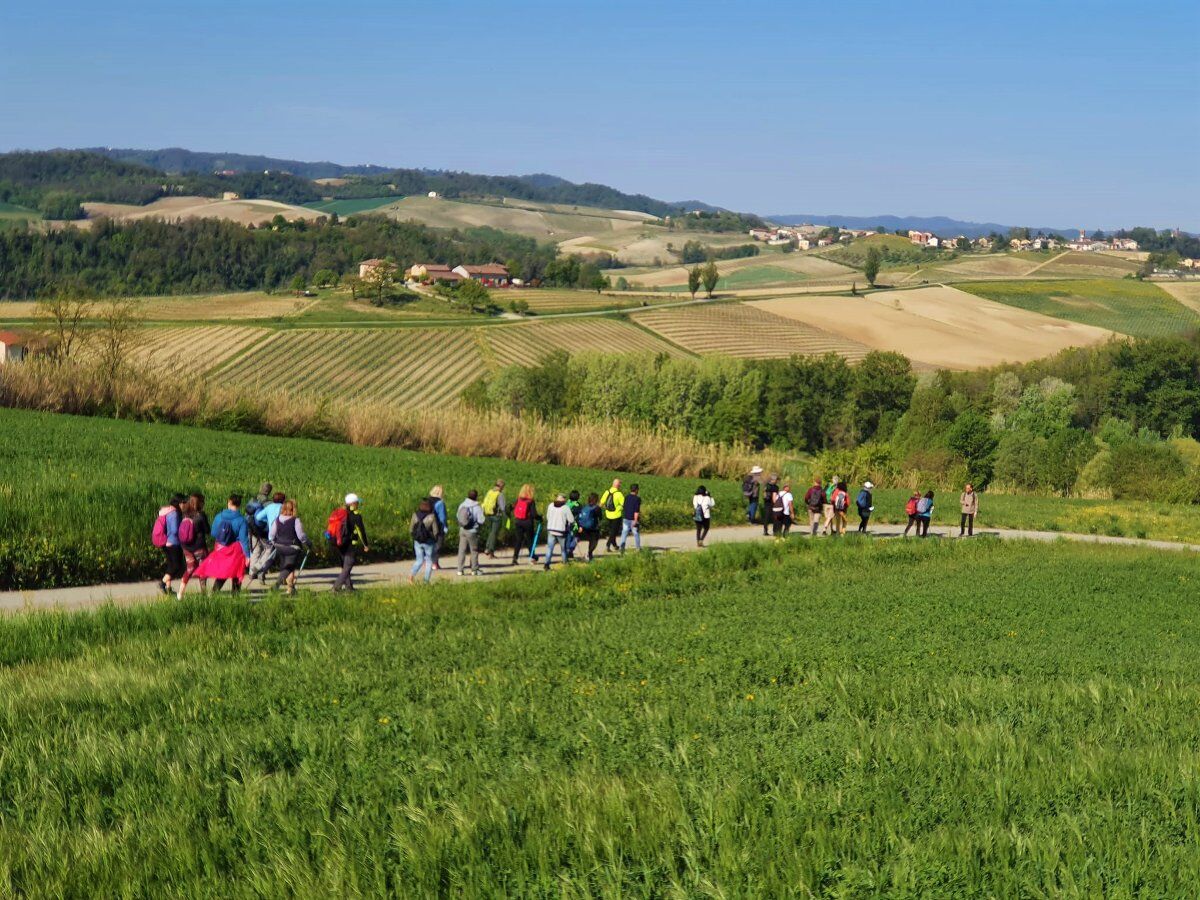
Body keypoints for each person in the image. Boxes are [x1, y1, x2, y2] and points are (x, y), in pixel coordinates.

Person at [195, 494, 251, 594]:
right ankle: (235, 596)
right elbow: (244, 539)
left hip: (221, 548)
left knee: (223, 571)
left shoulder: (219, 516)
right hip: (236, 549)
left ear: (229, 502)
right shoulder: (241, 520)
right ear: (239, 505)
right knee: (236, 572)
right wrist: (247, 555)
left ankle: (214, 592)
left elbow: (213, 533)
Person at [270, 499, 312, 595]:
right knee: (289, 568)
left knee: (287, 567)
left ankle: (291, 588)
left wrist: (274, 543)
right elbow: (301, 536)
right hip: (292, 548)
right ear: (293, 509)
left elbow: (271, 534)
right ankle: (277, 584)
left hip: (280, 547)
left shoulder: (277, 520)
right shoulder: (295, 520)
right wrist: (308, 543)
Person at [332, 493, 369, 591]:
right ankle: (335, 587)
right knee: (347, 567)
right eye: (357, 503)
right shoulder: (356, 516)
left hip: (339, 543)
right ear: (353, 503)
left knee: (344, 566)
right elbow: (361, 531)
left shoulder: (341, 514)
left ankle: (349, 588)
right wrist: (366, 545)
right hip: (350, 545)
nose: (358, 504)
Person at [176, 493, 210, 599]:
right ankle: (204, 593)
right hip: (199, 547)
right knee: (203, 569)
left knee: (190, 569)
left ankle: (180, 593)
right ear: (200, 503)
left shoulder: (184, 514)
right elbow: (207, 530)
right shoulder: (201, 515)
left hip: (186, 547)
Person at [248, 490, 286, 584]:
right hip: (281, 534)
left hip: (270, 533)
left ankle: (257, 571)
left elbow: (258, 517)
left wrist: (268, 521)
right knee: (273, 554)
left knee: (267, 551)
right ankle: (260, 569)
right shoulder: (283, 508)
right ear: (283, 500)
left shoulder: (269, 507)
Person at [153, 494, 186, 596]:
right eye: (183, 502)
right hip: (173, 542)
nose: (185, 505)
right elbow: (175, 530)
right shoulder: (174, 513)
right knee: (177, 566)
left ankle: (168, 588)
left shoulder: (167, 511)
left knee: (171, 565)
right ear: (178, 503)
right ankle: (163, 583)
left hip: (166, 542)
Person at [409, 498, 441, 584]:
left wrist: (416, 537)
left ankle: (411, 576)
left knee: (419, 560)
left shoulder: (415, 515)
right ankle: (426, 581)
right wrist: (435, 539)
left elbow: (411, 529)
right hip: (429, 542)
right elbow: (436, 531)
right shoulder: (432, 516)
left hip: (418, 541)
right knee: (429, 560)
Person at [456, 489, 485, 576]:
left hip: (462, 529)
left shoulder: (462, 505)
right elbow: (481, 520)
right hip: (472, 531)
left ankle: (460, 570)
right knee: (474, 550)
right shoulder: (477, 507)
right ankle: (474, 570)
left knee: (462, 550)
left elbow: (458, 516)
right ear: (476, 496)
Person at [543, 493, 575, 571]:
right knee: (563, 549)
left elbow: (548, 517)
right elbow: (571, 520)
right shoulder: (565, 507)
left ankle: (546, 564)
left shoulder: (551, 505)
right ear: (563, 499)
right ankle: (565, 563)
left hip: (551, 529)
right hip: (561, 531)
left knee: (550, 548)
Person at [510, 484, 539, 564]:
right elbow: (534, 514)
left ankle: (515, 558)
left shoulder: (519, 499)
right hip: (528, 522)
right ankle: (532, 557)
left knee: (518, 540)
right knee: (530, 540)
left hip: (518, 522)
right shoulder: (530, 501)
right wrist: (540, 518)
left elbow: (511, 507)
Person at [481, 479, 507, 558]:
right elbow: (503, 507)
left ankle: (487, 549)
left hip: (488, 514)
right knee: (494, 533)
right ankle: (490, 550)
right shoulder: (499, 494)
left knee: (490, 532)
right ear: (502, 486)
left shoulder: (489, 492)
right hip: (496, 516)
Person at [599, 479, 625, 552]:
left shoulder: (607, 492)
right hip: (616, 515)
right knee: (614, 532)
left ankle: (615, 545)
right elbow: (624, 504)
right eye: (620, 484)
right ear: (618, 485)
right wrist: (621, 508)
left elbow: (601, 503)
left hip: (608, 515)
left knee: (612, 531)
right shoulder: (619, 494)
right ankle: (608, 545)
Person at [577, 492, 603, 560]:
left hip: (585, 527)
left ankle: (589, 555)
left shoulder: (585, 507)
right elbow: (600, 517)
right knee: (594, 541)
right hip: (594, 527)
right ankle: (589, 554)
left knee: (591, 540)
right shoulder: (597, 508)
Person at [428, 485, 448, 569]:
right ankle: (434, 563)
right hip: (437, 527)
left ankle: (429, 561)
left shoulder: (427, 501)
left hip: (427, 526)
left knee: (430, 544)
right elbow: (442, 518)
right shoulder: (440, 503)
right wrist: (445, 527)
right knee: (437, 545)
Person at [619, 484, 642, 553]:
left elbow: (624, 507)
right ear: (636, 490)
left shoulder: (626, 497)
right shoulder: (637, 499)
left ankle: (622, 548)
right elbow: (636, 510)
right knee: (636, 533)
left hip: (626, 518)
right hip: (633, 519)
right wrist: (635, 520)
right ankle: (637, 548)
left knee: (624, 533)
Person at [565, 490, 583, 559]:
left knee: (568, 538)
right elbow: (580, 516)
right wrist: (581, 526)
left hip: (566, 524)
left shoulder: (566, 504)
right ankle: (570, 550)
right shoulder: (578, 505)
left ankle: (567, 551)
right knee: (576, 537)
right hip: (575, 524)